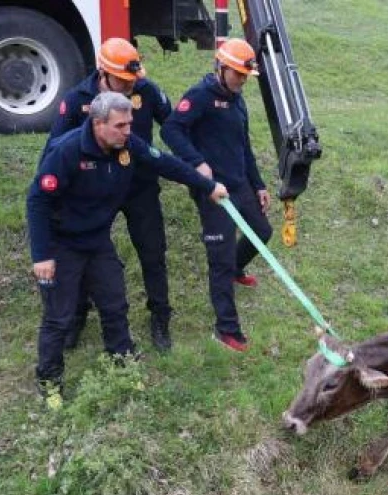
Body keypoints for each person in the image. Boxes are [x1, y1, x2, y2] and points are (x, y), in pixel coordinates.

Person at [28, 92, 227, 407]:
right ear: (98, 124)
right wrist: (41, 255)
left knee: (114, 305)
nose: (127, 131)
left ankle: (121, 362)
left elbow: (166, 164)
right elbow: (37, 200)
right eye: (120, 125)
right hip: (62, 243)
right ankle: (49, 380)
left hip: (97, 241)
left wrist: (208, 186)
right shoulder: (66, 151)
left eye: (129, 124)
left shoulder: (127, 145)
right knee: (59, 317)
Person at [45, 38, 177, 352]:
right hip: (94, 194)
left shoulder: (146, 90)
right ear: (103, 74)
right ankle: (77, 316)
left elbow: (173, 126)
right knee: (81, 254)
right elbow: (55, 148)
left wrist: (196, 165)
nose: (130, 86)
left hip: (139, 186)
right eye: (123, 81)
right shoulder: (77, 100)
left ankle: (160, 317)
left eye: (133, 80)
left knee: (153, 253)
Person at [162, 38, 271, 352]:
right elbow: (171, 129)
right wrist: (197, 164)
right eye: (237, 74)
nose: (241, 81)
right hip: (212, 192)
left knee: (262, 231)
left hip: (239, 185)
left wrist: (259, 184)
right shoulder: (200, 96)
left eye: (244, 75)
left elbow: (244, 147)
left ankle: (237, 268)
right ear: (221, 68)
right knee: (219, 260)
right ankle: (226, 329)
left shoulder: (238, 100)